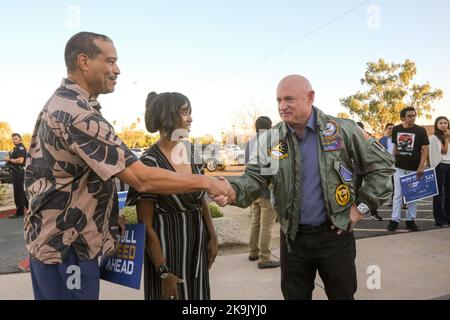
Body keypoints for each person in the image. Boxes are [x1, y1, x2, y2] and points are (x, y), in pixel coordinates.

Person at [24, 32, 234, 300]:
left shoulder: (68, 104)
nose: (117, 69)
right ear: (84, 61)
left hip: (63, 244)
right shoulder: (77, 115)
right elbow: (141, 178)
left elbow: (69, 178)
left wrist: (108, 216)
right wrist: (209, 182)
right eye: (110, 61)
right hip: (67, 248)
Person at [214, 74, 394, 300]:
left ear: (310, 97)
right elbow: (254, 177)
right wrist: (232, 191)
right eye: (278, 100)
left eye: (289, 99)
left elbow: (383, 165)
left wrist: (361, 207)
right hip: (293, 240)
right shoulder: (271, 139)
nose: (282, 106)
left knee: (343, 296)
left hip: (334, 237)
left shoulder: (343, 130)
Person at [126, 91, 218, 300]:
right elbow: (145, 225)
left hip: (197, 249)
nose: (190, 118)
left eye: (190, 112)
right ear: (167, 116)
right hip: (167, 256)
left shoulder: (191, 152)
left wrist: (212, 235)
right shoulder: (150, 163)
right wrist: (163, 271)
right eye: (185, 112)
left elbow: (200, 199)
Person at [245, 116, 280, 269]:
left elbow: (249, 167)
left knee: (255, 222)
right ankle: (264, 259)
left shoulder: (249, 143)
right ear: (270, 128)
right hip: (267, 191)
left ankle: (253, 252)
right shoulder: (271, 143)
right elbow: (273, 168)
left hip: (253, 190)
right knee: (267, 226)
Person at [387, 107, 429, 232]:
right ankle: (394, 219)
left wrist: (421, 166)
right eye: (409, 116)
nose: (413, 118)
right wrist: (391, 162)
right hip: (399, 167)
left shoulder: (420, 130)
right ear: (402, 118)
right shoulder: (396, 129)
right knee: (398, 194)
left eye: (414, 115)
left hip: (414, 168)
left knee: (412, 195)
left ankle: (410, 220)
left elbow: (425, 149)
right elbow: (395, 146)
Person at [353, 123, 383, 221]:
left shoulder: (368, 136)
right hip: (357, 168)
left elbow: (378, 149)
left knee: (370, 191)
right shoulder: (351, 136)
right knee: (356, 191)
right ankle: (355, 212)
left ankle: (374, 213)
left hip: (369, 168)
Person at [429, 116, 450, 227]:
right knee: (439, 194)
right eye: (440, 123)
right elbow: (444, 150)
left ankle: (448, 217)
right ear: (436, 125)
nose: (443, 125)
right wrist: (446, 138)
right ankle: (439, 220)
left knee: (448, 194)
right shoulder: (434, 138)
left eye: (445, 123)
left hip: (449, 165)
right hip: (440, 165)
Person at [6, 133, 28, 219]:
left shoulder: (20, 148)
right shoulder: (16, 148)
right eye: (13, 139)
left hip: (18, 172)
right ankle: (30, 208)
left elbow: (20, 160)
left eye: (16, 138)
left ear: (20, 139)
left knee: (18, 192)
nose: (14, 140)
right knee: (21, 192)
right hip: (16, 172)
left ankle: (20, 212)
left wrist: (9, 159)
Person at [379, 123, 396, 207]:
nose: (391, 130)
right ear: (386, 130)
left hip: (397, 165)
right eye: (389, 128)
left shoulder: (398, 139)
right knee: (387, 185)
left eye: (393, 128)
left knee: (397, 184)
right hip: (386, 165)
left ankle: (397, 202)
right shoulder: (381, 140)